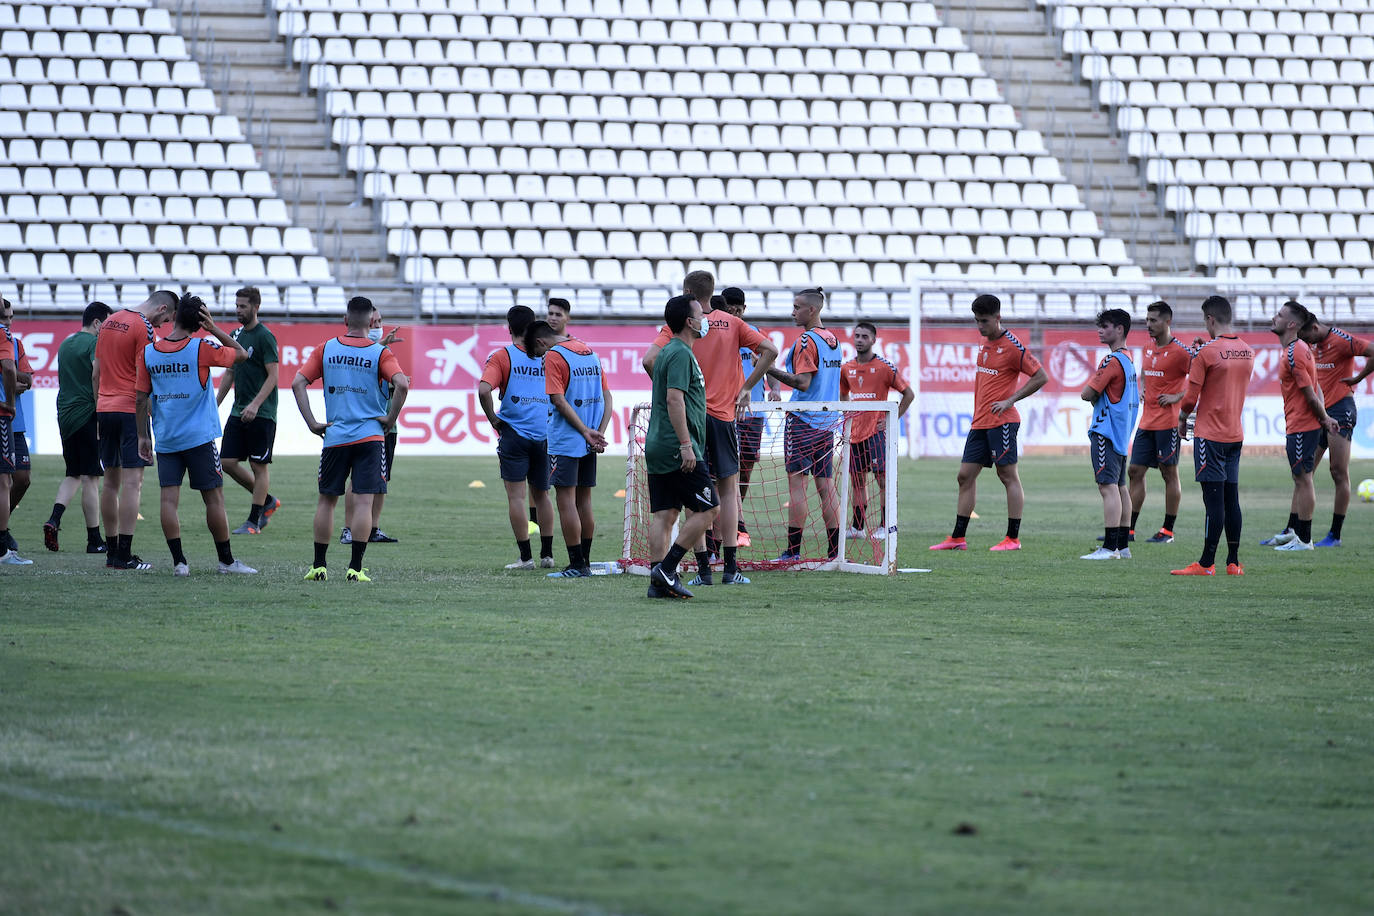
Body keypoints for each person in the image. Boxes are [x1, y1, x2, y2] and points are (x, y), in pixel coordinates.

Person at [643, 271, 776, 585]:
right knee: (728, 491)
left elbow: (650, 360)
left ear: (688, 291)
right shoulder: (732, 323)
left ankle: (703, 570)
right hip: (724, 417)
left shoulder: (678, 326)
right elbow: (769, 350)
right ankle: (730, 569)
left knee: (693, 495)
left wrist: (672, 394)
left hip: (691, 418)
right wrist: (746, 388)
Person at [134, 295, 256, 576]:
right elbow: (241, 354)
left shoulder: (149, 352)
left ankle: (179, 563)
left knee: (168, 500)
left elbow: (141, 399)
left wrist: (144, 436)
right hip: (199, 439)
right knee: (213, 499)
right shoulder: (201, 348)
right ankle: (226, 561)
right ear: (200, 322)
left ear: (175, 317)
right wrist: (213, 329)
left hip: (166, 439)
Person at [293, 296, 409, 582]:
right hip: (370, 437)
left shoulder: (326, 349)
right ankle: (355, 569)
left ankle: (319, 566)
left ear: (345, 320)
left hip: (335, 436)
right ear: (372, 322)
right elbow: (402, 384)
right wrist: (390, 419)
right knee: (363, 503)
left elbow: (298, 383)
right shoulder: (380, 353)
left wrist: (311, 423)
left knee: (327, 501)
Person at [930, 294, 1048, 552]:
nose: (980, 327)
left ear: (998, 318)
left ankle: (1013, 539)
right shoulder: (984, 343)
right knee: (964, 476)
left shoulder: (1013, 346)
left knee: (1007, 475)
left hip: (1003, 421)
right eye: (976, 321)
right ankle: (958, 538)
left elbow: (1041, 376)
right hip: (980, 422)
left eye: (984, 321)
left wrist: (1011, 400)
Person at [93, 289, 177, 570]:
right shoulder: (144, 328)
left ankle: (111, 551)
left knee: (110, 482)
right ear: (162, 308)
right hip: (131, 411)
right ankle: (125, 555)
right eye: (166, 320)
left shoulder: (109, 321)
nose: (164, 326)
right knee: (133, 483)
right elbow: (147, 376)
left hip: (105, 408)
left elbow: (97, 371)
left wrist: (100, 407)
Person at [1172, 296, 1255, 576]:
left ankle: (1207, 563)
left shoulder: (1205, 353)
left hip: (1210, 435)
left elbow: (1189, 399)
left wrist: (1182, 419)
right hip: (1235, 434)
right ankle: (1233, 562)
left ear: (1210, 319)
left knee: (1213, 501)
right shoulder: (1247, 351)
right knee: (1231, 499)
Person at [645, 295, 721, 599]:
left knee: (665, 514)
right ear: (690, 322)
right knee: (709, 509)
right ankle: (667, 569)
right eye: (700, 314)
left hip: (660, 443)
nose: (704, 319)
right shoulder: (679, 353)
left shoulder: (669, 351)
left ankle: (656, 584)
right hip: (677, 447)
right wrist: (687, 445)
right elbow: (674, 399)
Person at [525, 319, 611, 578]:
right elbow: (608, 397)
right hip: (590, 439)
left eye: (538, 354)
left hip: (566, 439)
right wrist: (598, 432)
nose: (541, 359)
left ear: (541, 343)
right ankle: (585, 560)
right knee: (584, 501)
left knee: (565, 501)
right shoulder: (589, 352)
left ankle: (576, 564)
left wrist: (584, 431)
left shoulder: (553, 356)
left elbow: (557, 400)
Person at [767, 288, 844, 562]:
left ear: (812, 310)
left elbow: (803, 383)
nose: (792, 311)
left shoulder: (805, 341)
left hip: (803, 421)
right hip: (827, 424)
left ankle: (792, 552)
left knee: (797, 488)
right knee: (826, 487)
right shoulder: (834, 340)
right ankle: (835, 552)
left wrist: (768, 368)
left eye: (797, 306)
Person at [478, 305, 557, 570]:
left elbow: (484, 390)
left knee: (516, 497)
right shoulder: (549, 356)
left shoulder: (502, 356)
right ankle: (548, 555)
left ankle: (526, 558)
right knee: (544, 495)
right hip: (544, 433)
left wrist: (493, 419)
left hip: (514, 433)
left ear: (509, 328)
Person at [1260, 301, 1340, 551]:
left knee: (1304, 479)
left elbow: (1309, 394)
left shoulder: (1294, 353)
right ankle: (1297, 534)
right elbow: (1316, 388)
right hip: (1303, 424)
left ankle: (1304, 539)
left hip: (1301, 426)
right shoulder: (1302, 348)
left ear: (1292, 324)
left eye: (1280, 315)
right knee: (1301, 479)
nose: (1275, 318)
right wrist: (1324, 416)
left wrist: (1324, 418)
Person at [1297, 315, 1374, 547]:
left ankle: (1335, 535)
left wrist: (1358, 378)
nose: (1308, 343)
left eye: (1307, 337)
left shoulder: (1341, 340)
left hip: (1341, 410)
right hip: (1322, 413)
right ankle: (1296, 530)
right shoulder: (1312, 345)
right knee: (1304, 471)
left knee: (1338, 471)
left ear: (1314, 327)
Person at [44, 301, 113, 554]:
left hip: (65, 413)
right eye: (107, 323)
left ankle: (54, 519)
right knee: (91, 478)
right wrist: (99, 413)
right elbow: (97, 376)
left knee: (73, 474)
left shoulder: (65, 344)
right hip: (87, 413)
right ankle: (94, 540)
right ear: (97, 323)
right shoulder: (96, 343)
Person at [1125, 301, 1193, 545]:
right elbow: (1145, 373)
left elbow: (1199, 379)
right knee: (1134, 471)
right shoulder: (1146, 348)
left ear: (1167, 322)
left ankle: (1168, 531)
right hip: (1147, 421)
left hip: (1169, 422)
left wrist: (1178, 396)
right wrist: (1143, 388)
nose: (1148, 325)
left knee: (1168, 473)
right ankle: (1128, 529)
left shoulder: (1181, 352)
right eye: (1146, 320)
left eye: (1153, 320)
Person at [215, 287, 282, 535]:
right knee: (227, 462)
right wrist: (215, 403)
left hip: (262, 413)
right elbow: (230, 372)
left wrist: (255, 404)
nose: (238, 310)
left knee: (258, 466)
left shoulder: (265, 337)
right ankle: (267, 500)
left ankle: (254, 521)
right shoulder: (235, 335)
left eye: (243, 306)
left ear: (256, 307)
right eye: (237, 306)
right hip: (238, 411)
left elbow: (274, 376)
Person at [839, 320, 914, 540]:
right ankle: (858, 527)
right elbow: (843, 396)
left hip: (876, 433)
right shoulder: (847, 368)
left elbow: (908, 394)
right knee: (857, 481)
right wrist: (847, 416)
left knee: (882, 480)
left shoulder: (884, 367)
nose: (859, 340)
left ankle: (885, 525)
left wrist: (892, 419)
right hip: (855, 434)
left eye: (864, 336)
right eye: (857, 336)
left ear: (873, 340)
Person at [1078, 309, 1140, 560]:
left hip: (1106, 430)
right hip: (1121, 432)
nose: (1100, 330)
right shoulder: (1129, 360)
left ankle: (1109, 547)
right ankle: (1122, 546)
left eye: (1105, 326)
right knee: (1121, 487)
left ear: (1120, 330)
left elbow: (1087, 393)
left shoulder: (1111, 361)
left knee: (1108, 487)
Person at [719, 287, 777, 550]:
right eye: (730, 307)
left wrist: (774, 388)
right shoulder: (720, 331)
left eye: (738, 308)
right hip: (727, 410)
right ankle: (739, 526)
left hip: (754, 411)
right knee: (729, 467)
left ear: (744, 309)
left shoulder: (752, 333)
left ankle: (733, 515)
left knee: (747, 464)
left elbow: (769, 363)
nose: (734, 311)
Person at [341, 306, 403, 546]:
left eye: (380, 322)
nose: (377, 327)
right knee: (358, 480)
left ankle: (373, 528)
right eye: (373, 323)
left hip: (388, 427)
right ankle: (348, 528)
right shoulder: (362, 354)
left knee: (381, 479)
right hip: (368, 426)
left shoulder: (383, 352)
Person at [1, 297, 34, 557]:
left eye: (11, 318)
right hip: (4, 414)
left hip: (15, 421)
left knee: (22, 479)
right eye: (5, 318)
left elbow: (27, 378)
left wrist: (14, 380)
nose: (9, 323)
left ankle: (2, 525)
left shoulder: (15, 343)